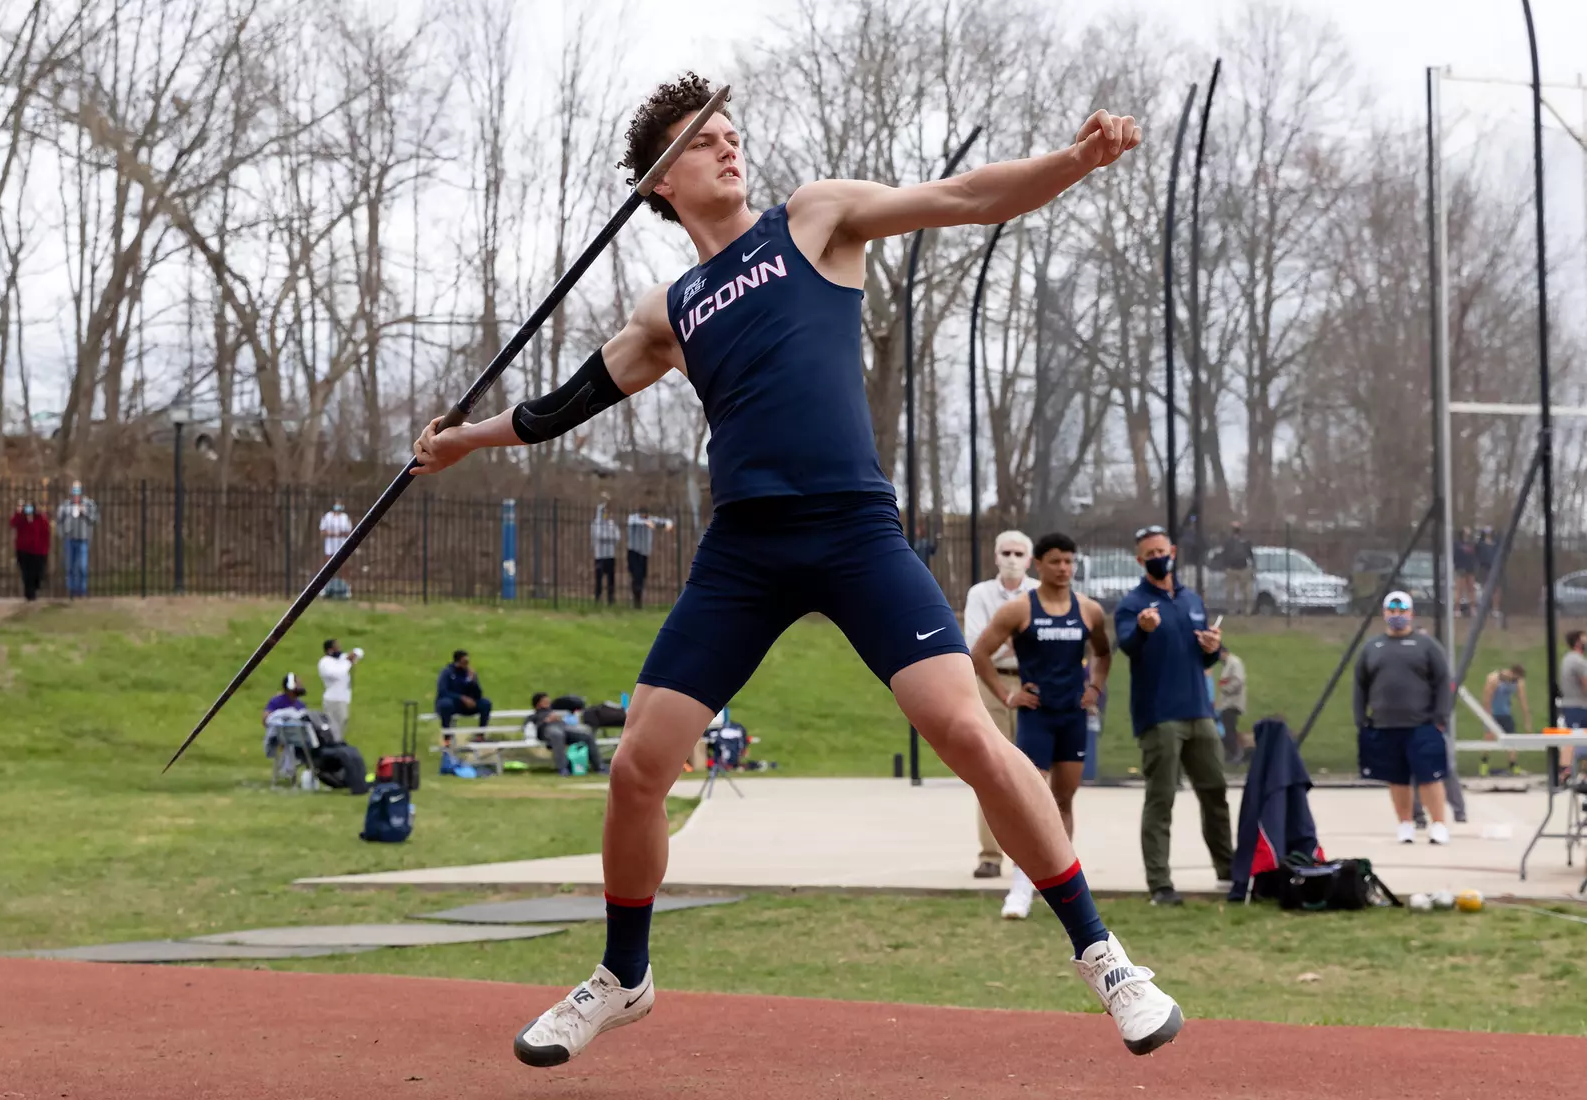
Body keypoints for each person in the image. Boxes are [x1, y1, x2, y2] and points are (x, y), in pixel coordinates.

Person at [411, 75, 1178, 1064]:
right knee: (640, 761)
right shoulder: (670, 310)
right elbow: (562, 404)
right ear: (658, 183)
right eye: (704, 143)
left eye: (733, 135)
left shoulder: (813, 218)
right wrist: (462, 442)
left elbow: (969, 195)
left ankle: (1105, 955)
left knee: (967, 731)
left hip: (855, 530)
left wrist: (1072, 164)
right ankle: (623, 974)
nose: (730, 150)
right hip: (746, 550)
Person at [970, 532, 1110, 920]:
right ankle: (1021, 886)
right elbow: (979, 653)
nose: (1063, 568)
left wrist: (1095, 686)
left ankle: (1064, 887)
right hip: (1036, 717)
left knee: (1064, 800)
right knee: (1032, 802)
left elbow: (1102, 652)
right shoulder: (1019, 610)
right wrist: (1006, 695)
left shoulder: (1088, 610)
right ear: (1039, 564)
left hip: (1072, 717)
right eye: (1055, 561)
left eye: (1069, 561)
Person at [1113, 525, 1234, 906]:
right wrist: (1144, 630)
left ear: (1174, 551)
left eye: (1161, 551)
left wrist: (1213, 648)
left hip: (1199, 711)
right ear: (1140, 560)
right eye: (1149, 554)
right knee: (1161, 798)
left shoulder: (1191, 600)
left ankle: (1228, 870)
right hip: (1160, 716)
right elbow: (1129, 645)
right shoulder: (1133, 604)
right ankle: (1160, 885)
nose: (1157, 558)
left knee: (1215, 792)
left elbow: (1204, 656)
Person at [960, 530, 1038, 879]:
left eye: (1018, 553)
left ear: (1029, 559)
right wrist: (1010, 639)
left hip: (1031, 682)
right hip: (989, 683)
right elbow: (976, 645)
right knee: (991, 770)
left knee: (1035, 772)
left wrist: (998, 640)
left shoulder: (1039, 593)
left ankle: (1036, 856)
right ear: (995, 556)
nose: (1011, 558)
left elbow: (1038, 646)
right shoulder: (980, 593)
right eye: (1005, 552)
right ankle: (990, 854)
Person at [1354, 592, 1453, 845]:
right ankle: (1405, 824)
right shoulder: (1371, 648)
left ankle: (1439, 824)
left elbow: (1443, 682)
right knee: (1396, 778)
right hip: (1385, 725)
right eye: (1392, 611)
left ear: (1411, 614)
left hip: (1422, 725)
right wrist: (1361, 718)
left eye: (1402, 611)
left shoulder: (1426, 646)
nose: (1396, 616)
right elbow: (1360, 685)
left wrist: (1440, 715)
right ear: (1384, 613)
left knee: (1429, 777)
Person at [530, 692, 606, 775]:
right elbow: (532, 727)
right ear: (538, 704)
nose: (548, 702)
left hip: (563, 728)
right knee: (557, 735)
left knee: (586, 734)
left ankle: (599, 767)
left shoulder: (553, 711)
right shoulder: (534, 715)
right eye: (544, 701)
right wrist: (547, 721)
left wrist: (559, 720)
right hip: (548, 730)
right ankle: (563, 768)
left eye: (548, 700)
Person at [1479, 665, 1530, 777]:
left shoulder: (1517, 682)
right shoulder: (1494, 679)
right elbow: (1486, 699)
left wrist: (1527, 720)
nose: (1516, 680)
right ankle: (1484, 764)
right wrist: (1488, 717)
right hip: (1492, 713)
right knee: (1489, 738)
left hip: (1506, 714)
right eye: (1515, 678)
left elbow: (1523, 700)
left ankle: (1513, 765)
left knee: (1511, 739)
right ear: (1511, 672)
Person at [263, 672, 311, 780]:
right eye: (298, 683)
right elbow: (266, 719)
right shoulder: (277, 701)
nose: (301, 686)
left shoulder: (301, 704)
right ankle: (288, 772)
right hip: (283, 737)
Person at [625, 505, 674, 608]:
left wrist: (668, 524)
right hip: (633, 552)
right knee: (636, 575)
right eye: (643, 515)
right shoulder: (633, 518)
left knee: (642, 576)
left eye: (646, 516)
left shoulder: (651, 519)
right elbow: (633, 522)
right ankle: (636, 602)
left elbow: (665, 521)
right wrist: (646, 523)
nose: (645, 517)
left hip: (644, 553)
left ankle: (638, 599)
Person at [55, 482, 98, 597]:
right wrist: (62, 534)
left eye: (78, 491)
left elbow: (95, 519)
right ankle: (71, 591)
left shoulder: (89, 504)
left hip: (83, 539)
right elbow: (59, 521)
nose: (76, 494)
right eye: (74, 491)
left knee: (82, 566)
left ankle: (82, 590)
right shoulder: (65, 505)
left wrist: (85, 512)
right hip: (69, 539)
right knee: (70, 566)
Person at [317, 639, 362, 742]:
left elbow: (359, 652)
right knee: (333, 728)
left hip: (343, 699)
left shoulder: (340, 659)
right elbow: (337, 673)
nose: (339, 649)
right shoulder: (325, 662)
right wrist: (348, 661)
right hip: (333, 700)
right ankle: (332, 747)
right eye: (336, 647)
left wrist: (353, 654)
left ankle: (337, 746)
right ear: (329, 650)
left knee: (342, 724)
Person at [435, 649, 490, 729]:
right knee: (446, 704)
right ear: (458, 661)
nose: (467, 664)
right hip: (452, 704)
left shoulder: (469, 673)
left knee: (485, 703)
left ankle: (480, 735)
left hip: (467, 705)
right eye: (465, 661)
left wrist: (473, 682)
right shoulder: (447, 672)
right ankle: (447, 737)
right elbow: (443, 691)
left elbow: (478, 694)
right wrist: (462, 698)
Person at [1214, 644, 1250, 766]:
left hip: (1232, 703)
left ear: (1223, 652)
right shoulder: (1228, 664)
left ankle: (1236, 754)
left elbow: (1238, 681)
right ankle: (1230, 755)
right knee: (1226, 730)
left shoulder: (1234, 663)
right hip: (1226, 703)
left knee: (1229, 730)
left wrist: (1226, 689)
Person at [1558, 631, 1587, 782]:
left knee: (1578, 737)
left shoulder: (1568, 659)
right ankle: (1565, 772)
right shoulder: (1578, 661)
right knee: (1574, 737)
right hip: (1578, 706)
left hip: (1573, 705)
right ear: (1577, 641)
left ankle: (1568, 771)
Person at [9, 501, 51, 601]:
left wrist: (45, 549)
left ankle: (34, 589)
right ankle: (29, 595)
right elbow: (12, 523)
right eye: (27, 509)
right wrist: (18, 512)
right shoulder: (21, 519)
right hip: (23, 551)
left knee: (38, 573)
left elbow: (46, 533)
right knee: (26, 573)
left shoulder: (40, 519)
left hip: (38, 551)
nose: (29, 512)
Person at [1217, 521, 1254, 614]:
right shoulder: (1231, 541)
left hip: (1241, 568)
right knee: (1231, 591)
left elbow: (1250, 554)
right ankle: (1233, 609)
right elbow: (1225, 554)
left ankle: (1245, 609)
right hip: (1233, 568)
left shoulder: (1243, 541)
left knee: (1244, 591)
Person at [320, 502, 353, 599]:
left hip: (341, 545)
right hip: (330, 546)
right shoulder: (328, 516)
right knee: (328, 566)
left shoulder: (344, 517)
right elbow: (322, 532)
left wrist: (339, 534)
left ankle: (346, 589)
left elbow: (348, 531)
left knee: (343, 567)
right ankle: (325, 588)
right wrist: (332, 534)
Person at [592, 500, 621, 605]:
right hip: (600, 555)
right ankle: (597, 597)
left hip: (610, 554)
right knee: (599, 578)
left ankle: (611, 598)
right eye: (604, 512)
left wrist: (609, 537)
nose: (606, 514)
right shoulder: (596, 524)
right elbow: (599, 536)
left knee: (611, 578)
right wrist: (610, 537)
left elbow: (617, 537)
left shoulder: (611, 523)